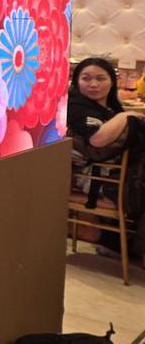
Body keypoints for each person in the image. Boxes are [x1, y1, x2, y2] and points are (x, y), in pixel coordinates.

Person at [67, 57, 145, 260]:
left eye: (100, 78)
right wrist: (125, 116)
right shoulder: (76, 106)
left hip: (116, 176)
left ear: (112, 81)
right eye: (86, 78)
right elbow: (97, 139)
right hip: (95, 178)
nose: (93, 84)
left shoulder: (108, 108)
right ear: (77, 81)